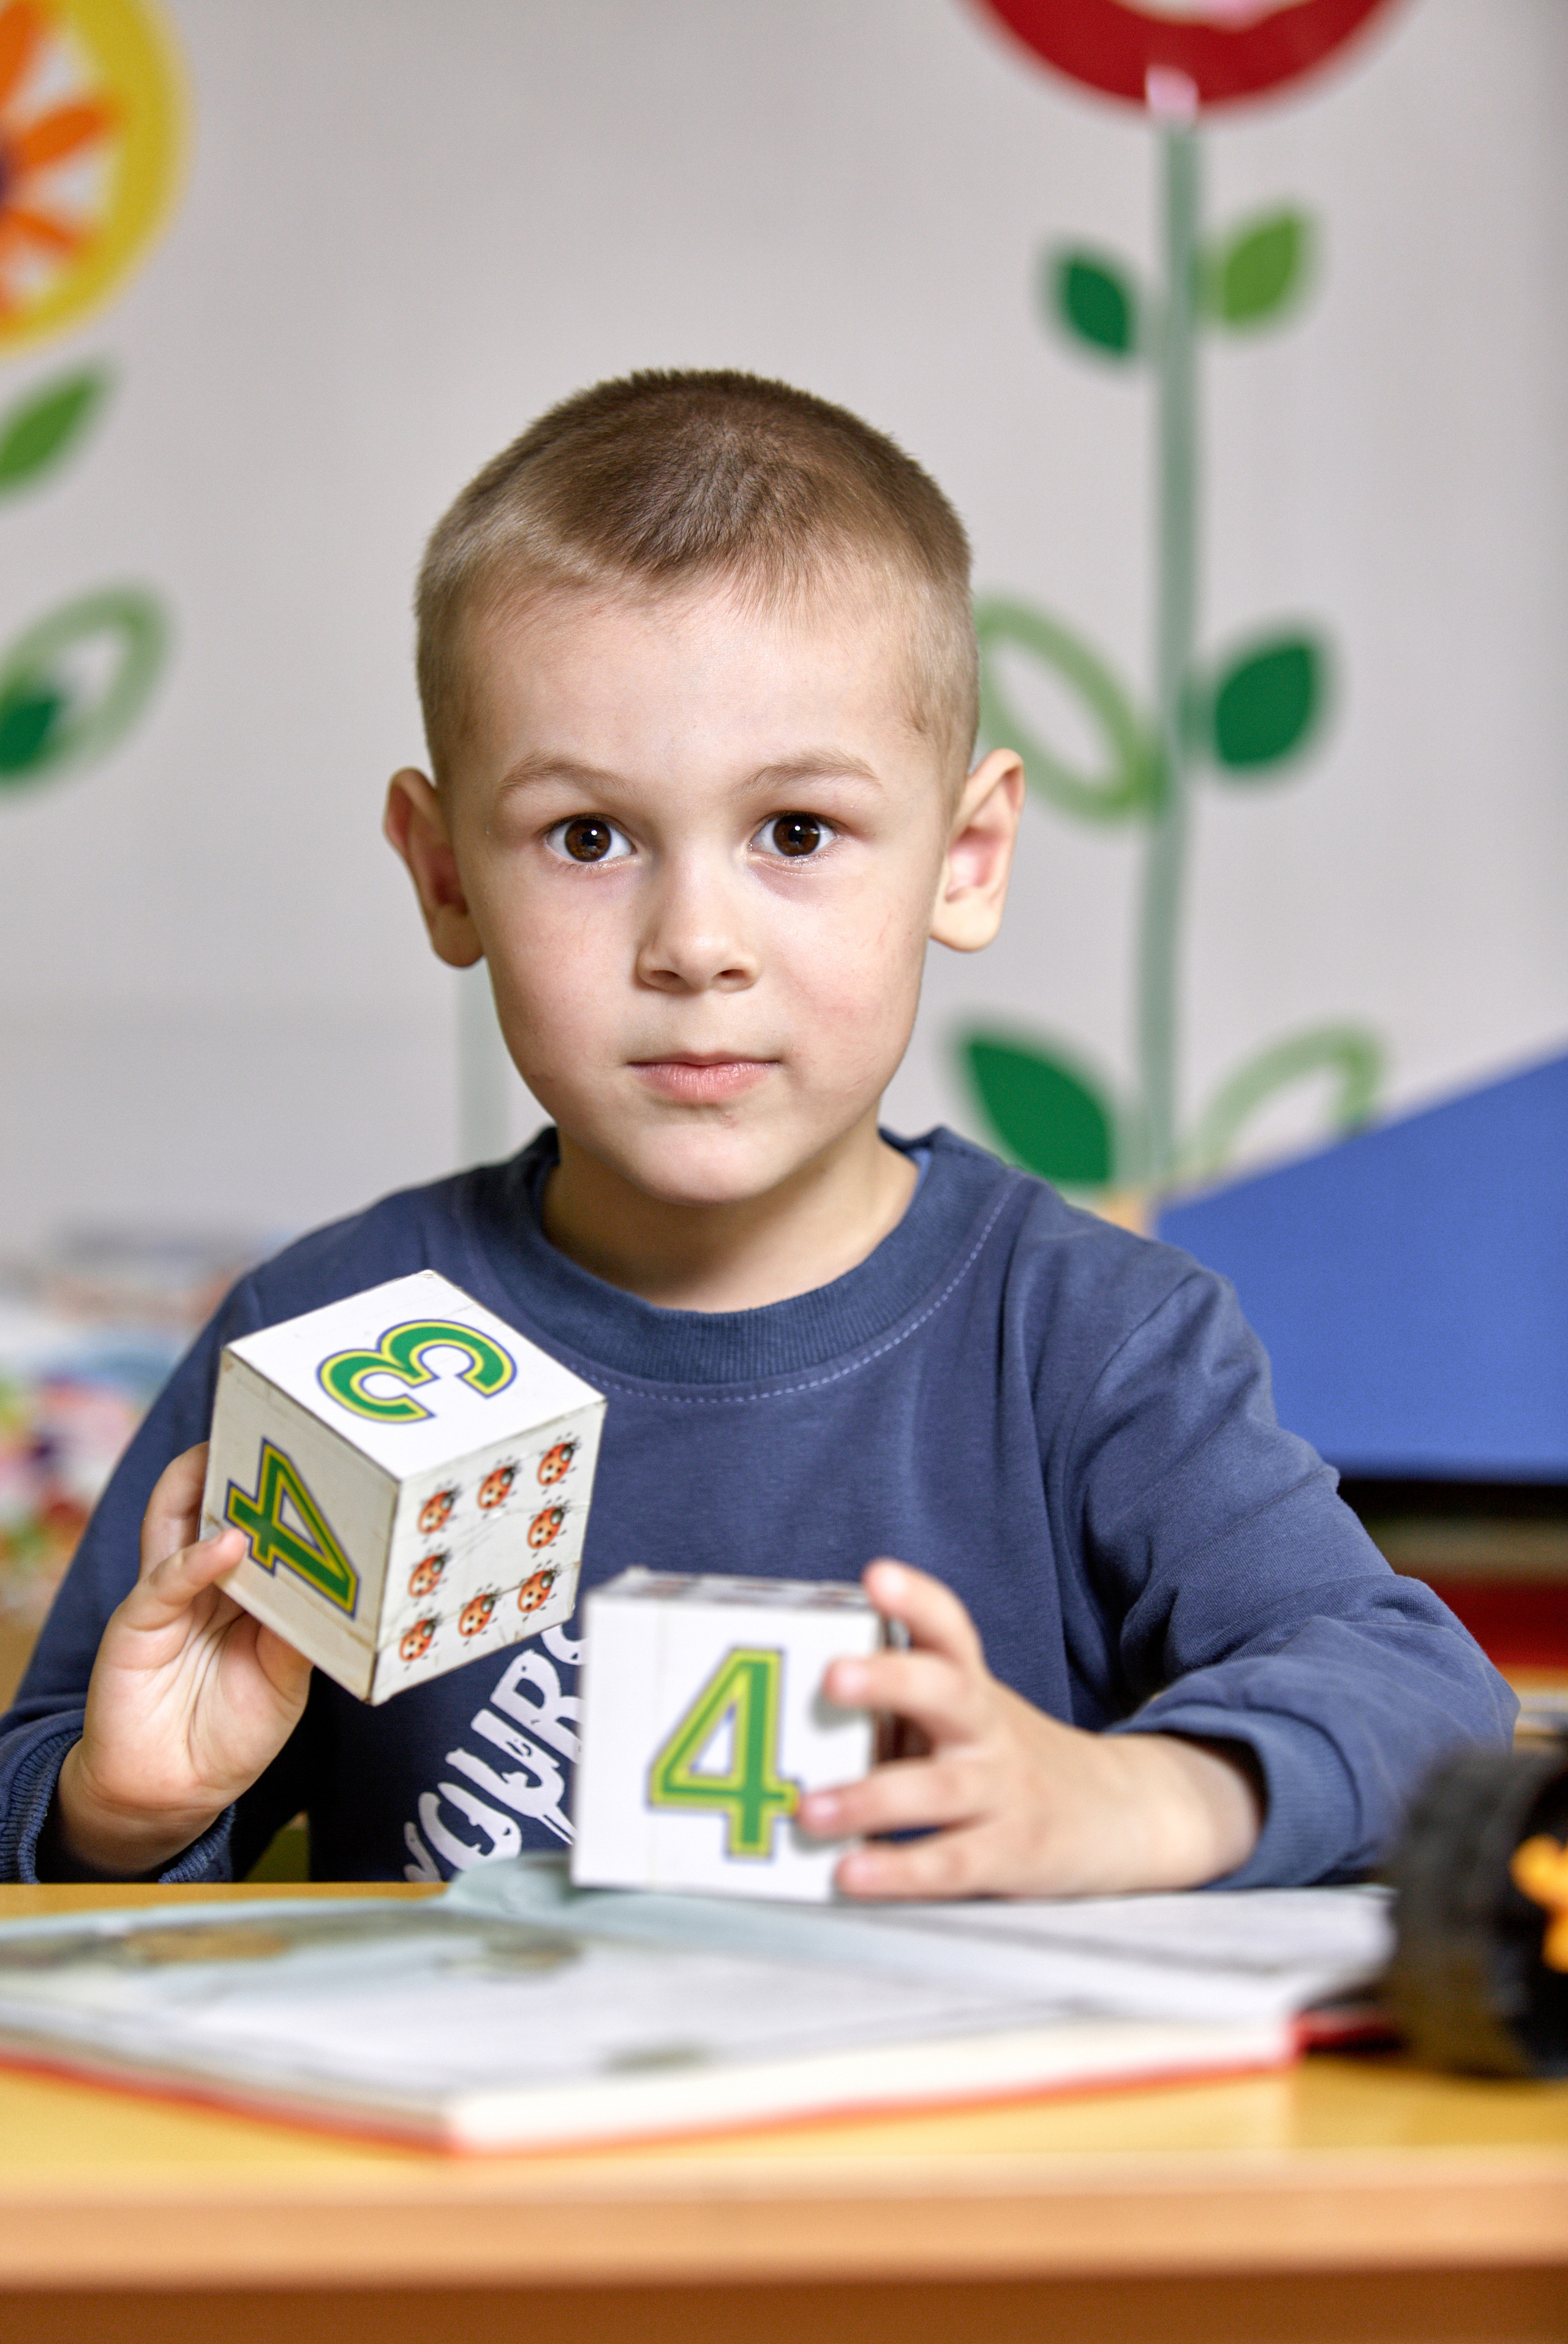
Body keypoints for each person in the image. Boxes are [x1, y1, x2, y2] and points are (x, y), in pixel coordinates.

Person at [0, 371, 1512, 1891]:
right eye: (586, 837)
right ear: (445, 872)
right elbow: (46, 1801)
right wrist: (116, 1810)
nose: (694, 942)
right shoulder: (331, 1327)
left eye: (796, 832)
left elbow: (1419, 1704)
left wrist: (1129, 1803)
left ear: (966, 857)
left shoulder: (1089, 1339)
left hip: (949, 2119)